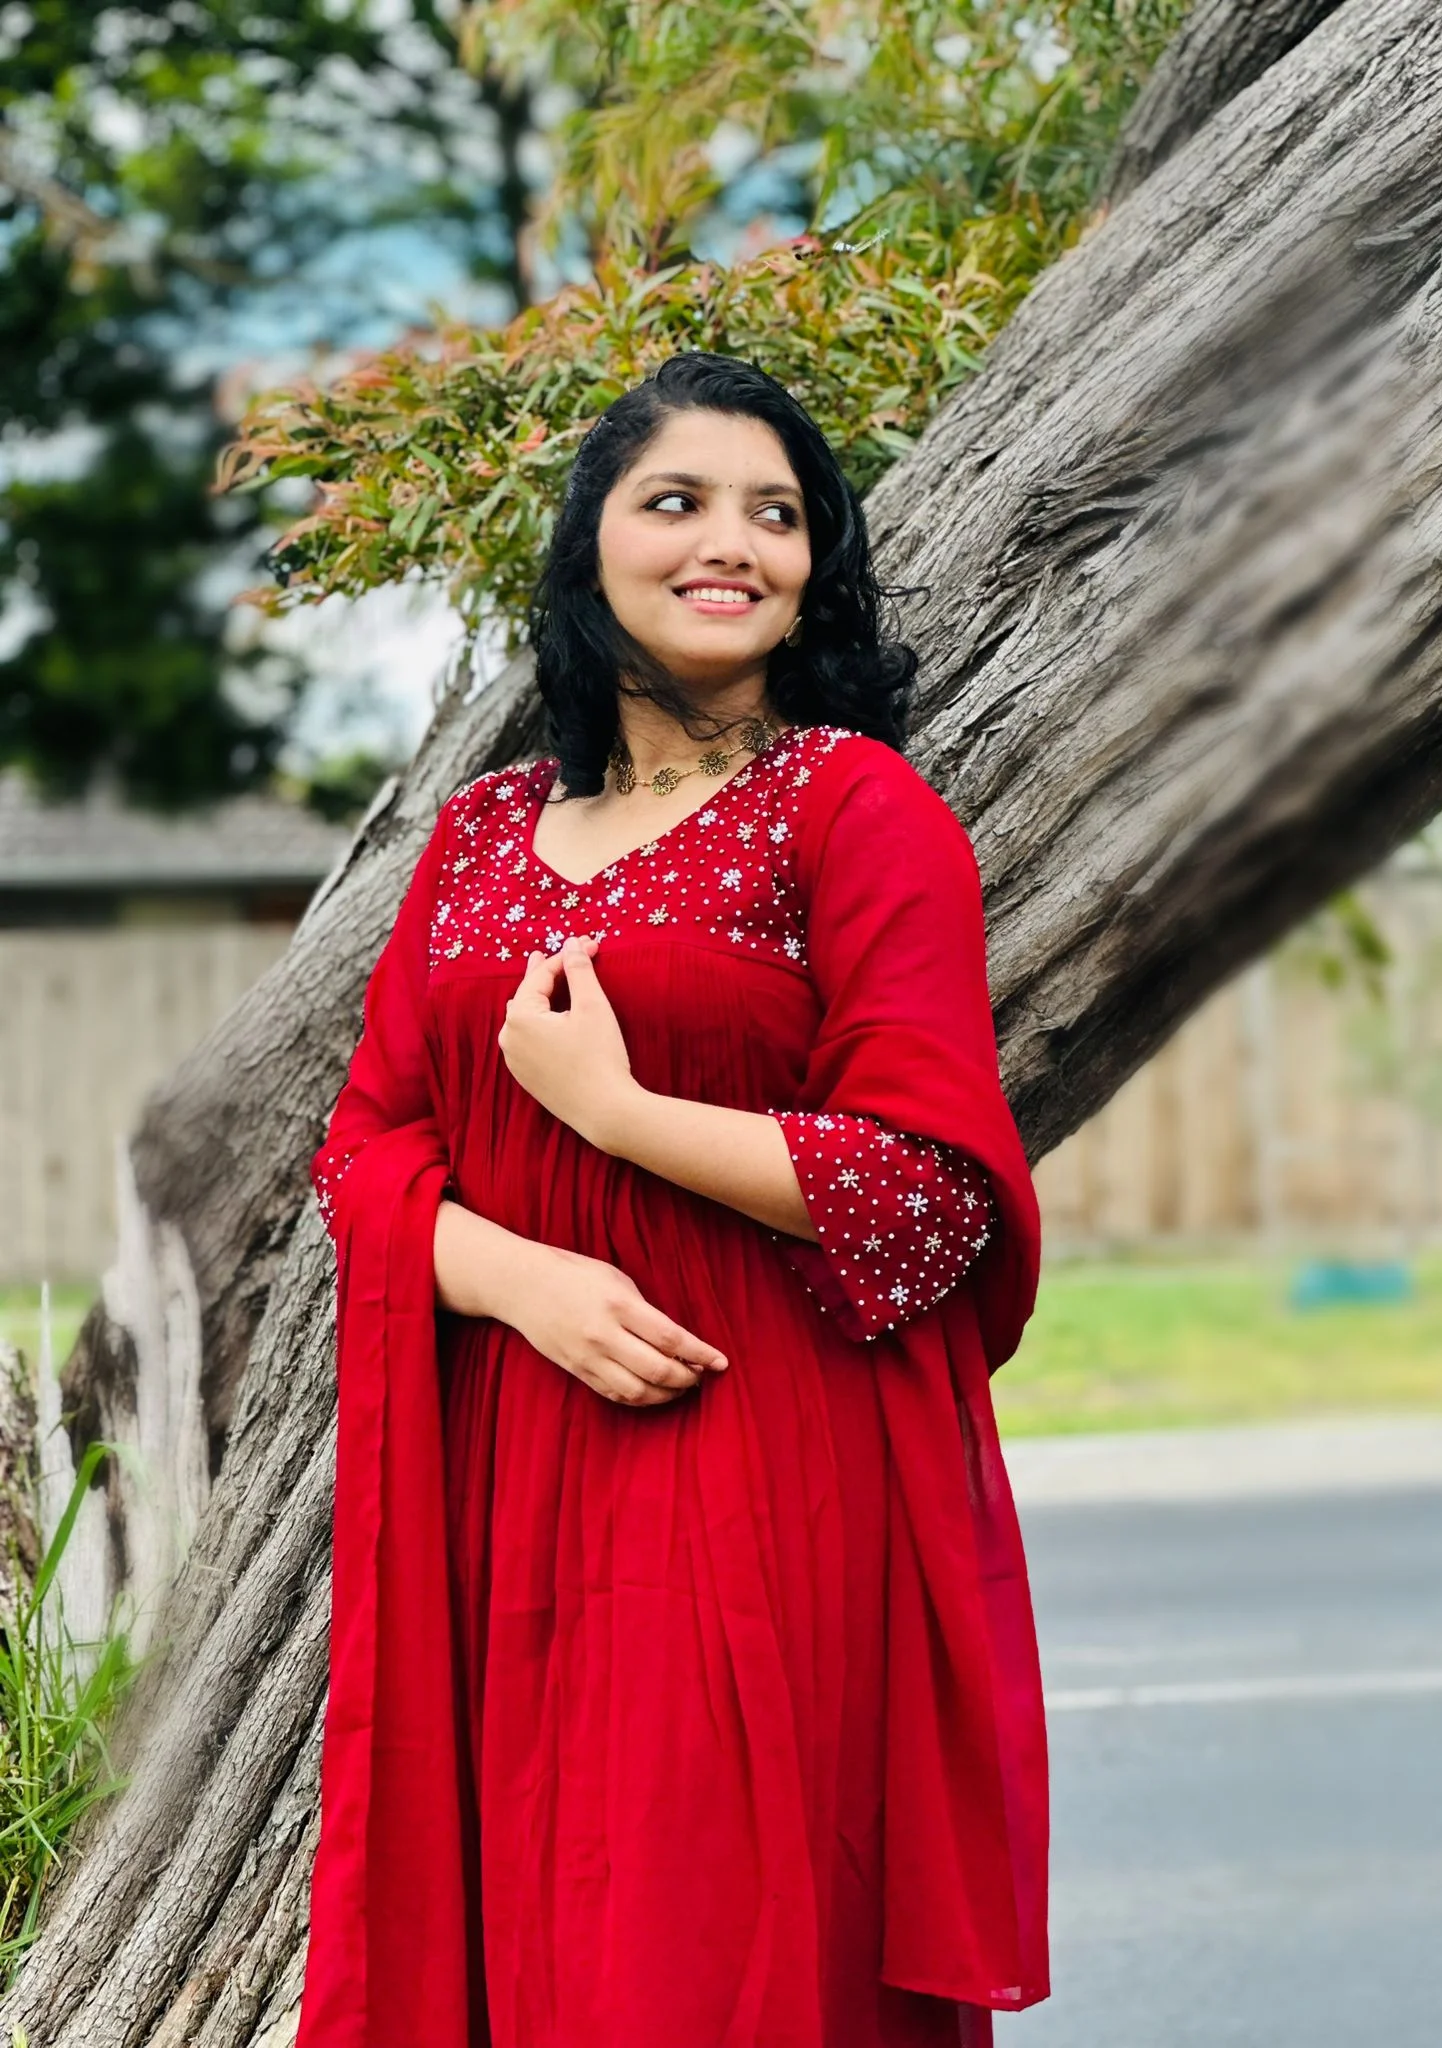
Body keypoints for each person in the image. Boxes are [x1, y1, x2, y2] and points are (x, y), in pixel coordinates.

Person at [296, 350, 1049, 2048]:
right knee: (529, 1929)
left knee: (701, 1944)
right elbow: (363, 1145)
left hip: (750, 1456)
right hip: (507, 1465)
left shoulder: (859, 810)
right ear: (590, 554)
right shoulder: (484, 831)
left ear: (816, 569)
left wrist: (624, 1116)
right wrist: (506, 1279)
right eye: (679, 502)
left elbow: (928, 1195)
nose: (735, 543)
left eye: (778, 514)